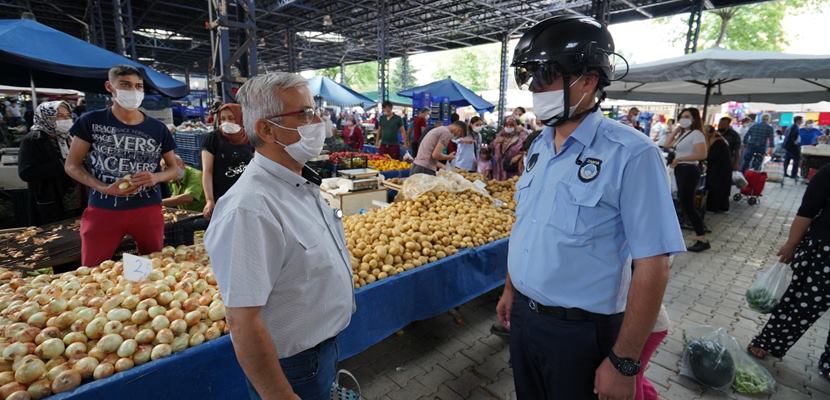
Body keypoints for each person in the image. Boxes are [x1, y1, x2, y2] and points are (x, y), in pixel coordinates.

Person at [500, 15, 686, 400]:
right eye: (529, 78)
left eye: (545, 75)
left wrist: (624, 362)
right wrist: (510, 289)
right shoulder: (539, 145)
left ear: (588, 81)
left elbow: (654, 265)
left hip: (580, 333)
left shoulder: (632, 155)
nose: (535, 88)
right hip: (524, 319)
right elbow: (527, 225)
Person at [204, 72, 354, 400]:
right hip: (294, 366)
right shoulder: (248, 209)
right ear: (266, 129)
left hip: (321, 350)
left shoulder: (297, 181)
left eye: (315, 110)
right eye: (303, 113)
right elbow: (242, 321)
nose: (317, 121)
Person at [64, 64, 179, 267]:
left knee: (151, 267)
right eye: (125, 85)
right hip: (103, 208)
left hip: (147, 208)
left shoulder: (158, 129)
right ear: (110, 87)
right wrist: (103, 187)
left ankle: (141, 297)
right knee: (93, 269)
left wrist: (156, 177)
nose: (133, 91)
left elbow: (175, 169)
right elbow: (72, 165)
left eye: (138, 86)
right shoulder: (91, 121)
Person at [747, 164, 830, 381]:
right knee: (802, 304)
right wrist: (792, 244)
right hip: (824, 253)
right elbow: (806, 211)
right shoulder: (828, 173)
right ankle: (767, 342)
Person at [17, 101, 85, 226]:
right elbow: (26, 172)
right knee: (54, 234)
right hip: (50, 196)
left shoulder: (67, 137)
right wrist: (64, 165)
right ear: (46, 117)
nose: (65, 119)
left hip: (72, 197)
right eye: (59, 116)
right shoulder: (33, 140)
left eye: (68, 115)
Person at [665, 108, 710, 252]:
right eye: (681, 117)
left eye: (687, 117)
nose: (683, 119)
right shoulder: (684, 133)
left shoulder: (697, 134)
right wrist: (676, 130)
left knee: (688, 205)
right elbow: (667, 144)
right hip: (680, 169)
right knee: (684, 204)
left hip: (689, 170)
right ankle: (698, 237)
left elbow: (702, 154)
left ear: (694, 119)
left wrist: (680, 158)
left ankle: (701, 238)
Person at [201, 103, 254, 219]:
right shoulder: (213, 138)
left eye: (231, 118)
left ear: (240, 119)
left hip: (246, 197)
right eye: (223, 119)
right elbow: (207, 171)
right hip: (222, 197)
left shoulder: (249, 138)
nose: (226, 122)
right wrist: (209, 200)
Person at [705, 125, 733, 213]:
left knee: (716, 187)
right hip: (721, 168)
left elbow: (710, 157)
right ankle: (722, 207)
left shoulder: (718, 142)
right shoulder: (719, 140)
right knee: (721, 188)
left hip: (719, 169)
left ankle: (713, 207)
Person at [491, 116, 528, 181]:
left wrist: (518, 156)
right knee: (498, 187)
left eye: (511, 125)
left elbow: (526, 150)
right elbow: (491, 148)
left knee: (511, 185)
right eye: (506, 125)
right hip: (499, 166)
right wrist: (496, 142)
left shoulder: (521, 137)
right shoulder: (499, 135)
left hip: (513, 166)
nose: (508, 127)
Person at [783, 116, 803, 180]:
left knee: (787, 160)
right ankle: (793, 175)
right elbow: (791, 137)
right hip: (793, 147)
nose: (802, 121)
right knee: (796, 160)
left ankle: (784, 172)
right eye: (801, 120)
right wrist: (795, 143)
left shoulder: (791, 126)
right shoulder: (795, 127)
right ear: (798, 120)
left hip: (788, 146)